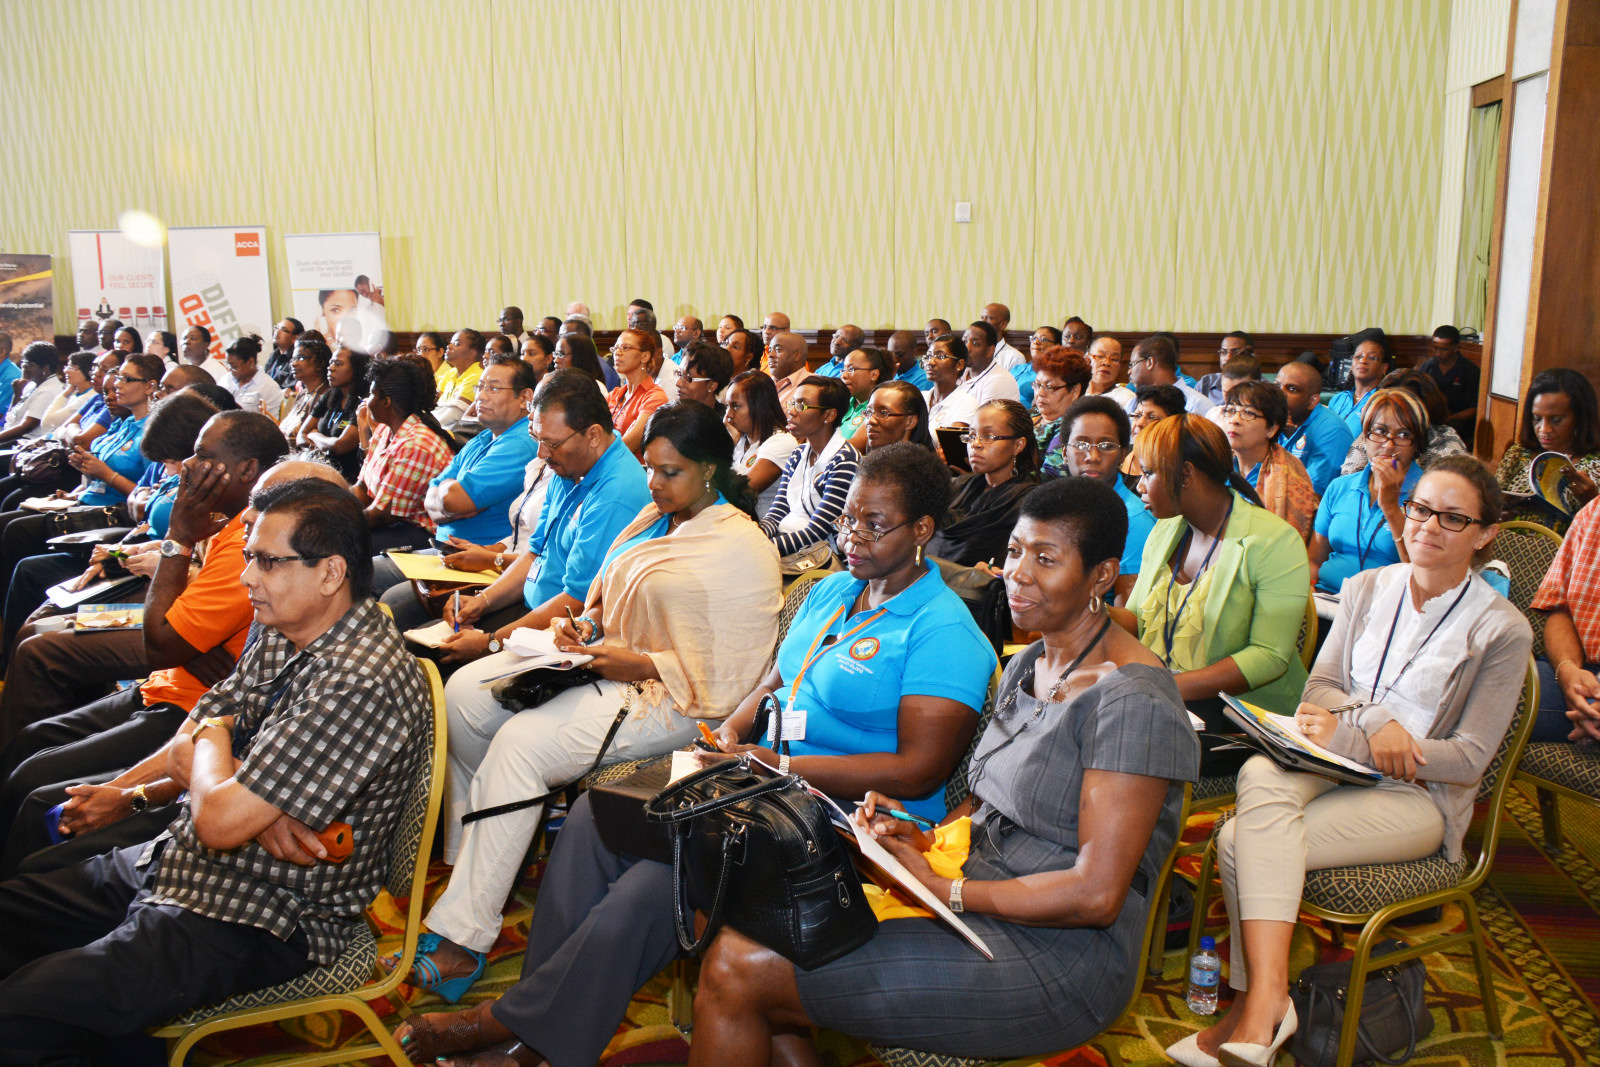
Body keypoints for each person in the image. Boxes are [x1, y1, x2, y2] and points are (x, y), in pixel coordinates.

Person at [389, 443, 997, 1066]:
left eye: (874, 524)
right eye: (847, 518)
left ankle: (520, 1035)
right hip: (762, 792)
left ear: (922, 530)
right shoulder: (836, 591)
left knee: (652, 889)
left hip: (849, 827)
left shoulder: (943, 631)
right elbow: (774, 683)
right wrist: (728, 735)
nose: (852, 536)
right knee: (594, 817)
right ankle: (531, 1025)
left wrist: (779, 766)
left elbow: (918, 771)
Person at [686, 475, 1197, 1065]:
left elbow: (1095, 895)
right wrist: (922, 836)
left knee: (738, 968)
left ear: (1102, 576)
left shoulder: (1133, 702)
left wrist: (945, 890)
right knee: (752, 928)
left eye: (1046, 559)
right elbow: (985, 804)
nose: (1018, 574)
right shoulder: (1033, 660)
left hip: (1058, 955)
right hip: (975, 894)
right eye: (1014, 551)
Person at [0, 478, 431, 1066]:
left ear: (331, 573)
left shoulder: (360, 679)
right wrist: (220, 766)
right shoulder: (286, 627)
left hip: (261, 914)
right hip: (180, 862)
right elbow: (200, 734)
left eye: (267, 562)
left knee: (16, 1016)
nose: (247, 577)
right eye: (250, 556)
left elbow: (218, 817)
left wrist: (216, 750)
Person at [393, 401, 784, 999]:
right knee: (466, 694)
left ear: (709, 469)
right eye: (649, 468)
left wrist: (639, 662)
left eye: (670, 471)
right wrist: (586, 628)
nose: (654, 483)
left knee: (521, 746)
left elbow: (732, 665)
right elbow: (610, 599)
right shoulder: (656, 517)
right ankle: (483, 856)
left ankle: (464, 935)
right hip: (610, 664)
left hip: (683, 701)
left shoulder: (739, 544)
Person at [1170, 457, 1527, 1067]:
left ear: (1484, 533)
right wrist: (1373, 722)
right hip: (1329, 764)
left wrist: (1355, 734)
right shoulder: (1367, 589)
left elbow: (1469, 759)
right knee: (1259, 772)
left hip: (1417, 798)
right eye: (1419, 508)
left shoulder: (1501, 630)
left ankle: (1254, 1005)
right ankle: (1268, 1002)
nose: (1427, 526)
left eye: (1452, 518)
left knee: (1236, 839)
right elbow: (1320, 689)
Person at [423, 369, 648, 662]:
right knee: (425, 641)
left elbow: (576, 601)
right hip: (531, 610)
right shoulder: (572, 465)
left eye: (551, 443)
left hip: (559, 634)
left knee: (441, 662)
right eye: (536, 438)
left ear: (593, 435)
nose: (542, 453)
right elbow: (535, 554)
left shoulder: (615, 494)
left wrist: (489, 643)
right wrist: (483, 601)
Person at [1129, 414, 1310, 772]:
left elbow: (1268, 656)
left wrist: (1167, 687)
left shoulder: (1274, 541)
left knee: (1131, 743)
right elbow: (1136, 618)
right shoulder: (1166, 529)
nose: (1139, 486)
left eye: (1148, 473)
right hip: (1172, 695)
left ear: (1186, 474)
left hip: (1246, 718)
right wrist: (1084, 609)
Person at [1310, 389, 1426, 595]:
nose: (1388, 445)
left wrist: (1391, 507)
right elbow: (1314, 560)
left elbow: (1422, 576)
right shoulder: (1340, 487)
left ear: (1416, 444)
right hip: (1326, 596)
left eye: (1403, 435)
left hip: (1387, 605)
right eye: (1380, 431)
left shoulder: (1427, 496)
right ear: (1365, 436)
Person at [1053, 396, 1153, 606]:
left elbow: (1129, 616)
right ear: (1064, 452)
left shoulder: (1133, 519)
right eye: (1081, 444)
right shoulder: (1056, 505)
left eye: (1106, 445)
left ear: (1122, 454)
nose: (1092, 456)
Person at [353, 355, 459, 551]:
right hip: (394, 523)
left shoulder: (416, 444)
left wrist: (338, 526)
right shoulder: (385, 430)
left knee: (345, 545)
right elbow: (362, 488)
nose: (367, 401)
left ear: (386, 402)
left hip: (423, 534)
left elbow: (382, 514)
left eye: (371, 394)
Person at [759, 376, 860, 573]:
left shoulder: (845, 460)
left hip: (821, 557)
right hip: (788, 547)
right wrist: (755, 536)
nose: (791, 411)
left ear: (829, 415)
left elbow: (818, 531)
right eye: (792, 403)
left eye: (802, 406)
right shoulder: (798, 454)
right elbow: (778, 511)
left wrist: (762, 548)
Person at [927, 399, 1039, 567]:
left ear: (1018, 445)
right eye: (972, 436)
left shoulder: (1028, 504)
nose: (975, 444)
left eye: (988, 436)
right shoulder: (958, 485)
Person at [1529, 495, 1600, 742]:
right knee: (1486, 689)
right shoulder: (1593, 513)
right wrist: (1567, 671)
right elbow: (1561, 610)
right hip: (1584, 674)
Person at [1496, 368, 1600, 522]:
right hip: (1506, 534)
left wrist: (1592, 501)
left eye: (1556, 420)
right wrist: (1498, 511)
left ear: (1580, 419)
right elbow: (1491, 500)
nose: (1544, 429)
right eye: (1537, 418)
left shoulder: (1595, 466)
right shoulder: (1519, 453)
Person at [1221, 380, 1319, 543]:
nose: (1234, 420)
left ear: (1272, 428)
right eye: (1231, 411)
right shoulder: (1218, 466)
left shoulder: (1290, 481)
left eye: (1248, 413)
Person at [1336, 369, 1468, 476]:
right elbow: (1349, 477)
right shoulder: (1373, 434)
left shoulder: (1445, 443)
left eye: (1407, 406)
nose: (1397, 412)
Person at [726, 369, 799, 518]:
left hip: (766, 526)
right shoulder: (741, 439)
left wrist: (727, 446)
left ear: (759, 406)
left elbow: (740, 494)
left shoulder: (782, 441)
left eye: (736, 406)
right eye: (727, 406)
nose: (728, 415)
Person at [1274, 359, 1353, 495]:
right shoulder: (1273, 419)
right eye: (1277, 386)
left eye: (1292, 389)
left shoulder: (1332, 430)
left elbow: (1313, 493)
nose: (1279, 394)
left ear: (1312, 401)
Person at [302, 345, 368, 481]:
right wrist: (324, 447)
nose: (330, 368)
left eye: (338, 364)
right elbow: (301, 435)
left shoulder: (363, 403)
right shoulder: (331, 395)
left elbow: (339, 446)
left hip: (347, 479)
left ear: (356, 369)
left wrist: (314, 435)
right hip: (319, 470)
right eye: (331, 362)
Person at [607, 327, 668, 456]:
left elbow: (628, 446)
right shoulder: (614, 394)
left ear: (644, 356)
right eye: (615, 348)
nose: (617, 353)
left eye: (625, 348)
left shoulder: (655, 397)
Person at [1031, 346, 1092, 476]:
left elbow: (1049, 478)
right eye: (1037, 385)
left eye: (1050, 387)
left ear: (1075, 391)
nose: (1040, 393)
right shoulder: (1031, 413)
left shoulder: (1071, 429)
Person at [1416, 325, 1480, 443]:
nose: (1438, 353)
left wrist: (1449, 418)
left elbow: (1474, 409)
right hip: (1430, 418)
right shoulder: (1427, 367)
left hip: (1458, 421)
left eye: (1443, 349)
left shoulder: (1470, 371)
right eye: (1435, 348)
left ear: (1456, 348)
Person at [1126, 334, 1212, 415]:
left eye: (1132, 364)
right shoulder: (1133, 403)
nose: (1129, 371)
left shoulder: (1196, 404)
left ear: (1150, 362)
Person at [1326, 335, 1392, 436]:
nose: (1363, 361)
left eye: (1372, 358)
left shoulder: (1383, 402)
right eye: (1358, 357)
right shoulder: (1338, 399)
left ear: (1384, 368)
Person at [0, 342, 65, 445]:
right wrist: (17, 394)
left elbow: (25, 427)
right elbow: (12, 418)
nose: (24, 366)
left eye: (30, 363)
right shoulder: (31, 384)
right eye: (23, 361)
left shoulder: (48, 391)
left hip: (29, 443)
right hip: (13, 438)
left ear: (46, 368)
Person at [276, 335, 332, 443]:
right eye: (293, 359)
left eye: (301, 358)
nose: (294, 363)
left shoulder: (327, 396)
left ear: (320, 363)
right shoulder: (302, 394)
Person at [956, 322, 1022, 408]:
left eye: (975, 344)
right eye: (965, 341)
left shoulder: (999, 380)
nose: (967, 348)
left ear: (989, 351)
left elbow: (983, 416)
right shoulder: (958, 372)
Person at [862, 380, 936, 455]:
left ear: (910, 422)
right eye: (868, 412)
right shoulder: (870, 460)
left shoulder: (921, 462)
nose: (871, 420)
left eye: (883, 413)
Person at [923, 334, 979, 430]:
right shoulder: (921, 397)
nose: (930, 362)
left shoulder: (965, 402)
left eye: (940, 356)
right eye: (928, 356)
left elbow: (952, 439)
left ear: (959, 364)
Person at [433, 330, 486, 432]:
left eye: (456, 344)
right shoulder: (450, 373)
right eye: (450, 343)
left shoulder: (477, 376)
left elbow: (454, 414)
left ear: (473, 351)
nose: (449, 346)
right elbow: (434, 404)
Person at [222, 335, 286, 417]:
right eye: (229, 366)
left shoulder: (268, 387)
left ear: (250, 362)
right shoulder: (226, 379)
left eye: (234, 367)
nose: (230, 370)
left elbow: (270, 421)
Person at [840, 346, 892, 449]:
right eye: (844, 370)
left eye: (851, 369)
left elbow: (852, 447)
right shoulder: (844, 401)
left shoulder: (880, 407)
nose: (844, 376)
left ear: (874, 374)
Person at [672, 340, 733, 416]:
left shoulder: (721, 421)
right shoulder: (672, 414)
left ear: (711, 385)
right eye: (679, 373)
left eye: (688, 377)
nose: (678, 383)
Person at [1196, 331, 1254, 406]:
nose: (1228, 358)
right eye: (1224, 352)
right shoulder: (1206, 382)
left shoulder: (1260, 386)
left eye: (1235, 352)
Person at [1012, 325, 1061, 408]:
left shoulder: (1054, 375)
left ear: (1057, 346)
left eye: (1043, 339)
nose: (1036, 342)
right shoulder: (1017, 368)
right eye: (1034, 338)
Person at [1085, 334, 1134, 409]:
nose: (1107, 362)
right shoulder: (1074, 393)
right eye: (1100, 356)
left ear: (1120, 366)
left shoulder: (1127, 399)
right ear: (1087, 359)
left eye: (1114, 359)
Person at [767, 331, 811, 406]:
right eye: (770, 350)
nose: (770, 355)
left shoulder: (813, 385)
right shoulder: (766, 383)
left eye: (778, 350)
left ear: (797, 355)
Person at [262, 317, 304, 390]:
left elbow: (291, 388)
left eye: (283, 330)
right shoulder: (274, 355)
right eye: (276, 328)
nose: (277, 332)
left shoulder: (296, 359)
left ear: (295, 338)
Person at [980, 302, 1024, 371]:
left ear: (1003, 325)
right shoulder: (975, 352)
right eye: (982, 318)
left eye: (989, 318)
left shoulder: (1014, 357)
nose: (983, 322)